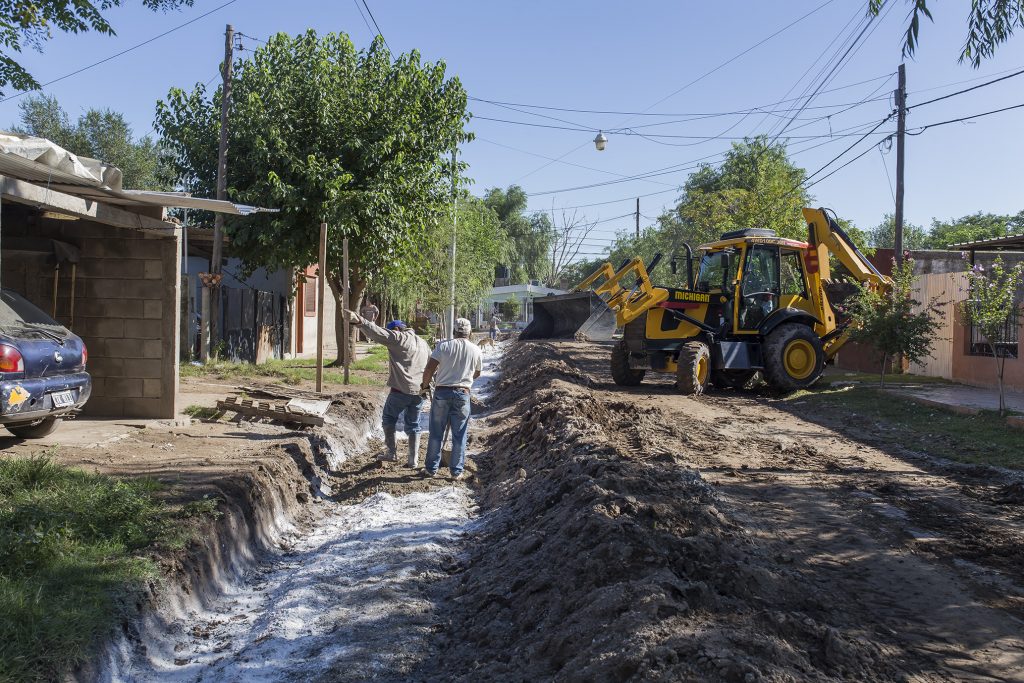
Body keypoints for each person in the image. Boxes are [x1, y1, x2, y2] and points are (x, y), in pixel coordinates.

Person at [346, 310, 430, 467]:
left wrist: (360, 321)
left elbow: (378, 333)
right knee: (414, 424)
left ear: (396, 329)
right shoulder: (423, 343)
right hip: (419, 391)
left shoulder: (398, 338)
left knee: (388, 419)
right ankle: (413, 460)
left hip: (401, 390)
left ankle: (391, 453)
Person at [420, 317, 482, 480]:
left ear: (454, 331)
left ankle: (431, 470)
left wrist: (424, 386)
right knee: (459, 435)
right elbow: (477, 372)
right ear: (470, 333)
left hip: (442, 393)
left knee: (436, 433)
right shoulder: (475, 350)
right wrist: (465, 380)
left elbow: (429, 369)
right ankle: (456, 472)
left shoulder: (444, 346)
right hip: (463, 394)